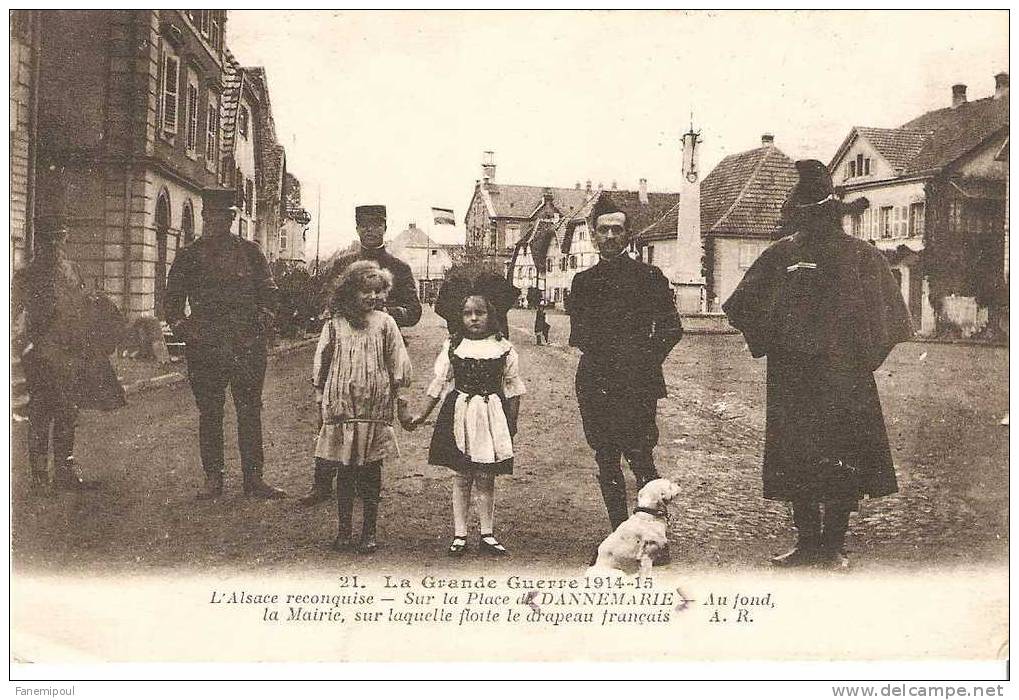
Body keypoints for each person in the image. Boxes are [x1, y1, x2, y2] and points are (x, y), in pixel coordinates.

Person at [722, 159, 913, 570]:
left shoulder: (862, 256)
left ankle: (833, 545)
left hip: (845, 379)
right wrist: (775, 340)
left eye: (817, 212)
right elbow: (741, 306)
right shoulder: (782, 254)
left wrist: (863, 359)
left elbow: (893, 318)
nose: (809, 222)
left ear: (833, 212)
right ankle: (807, 542)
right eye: (802, 213)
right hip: (793, 379)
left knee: (842, 458)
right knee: (797, 458)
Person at [568, 193, 684, 536]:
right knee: (606, 460)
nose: (609, 237)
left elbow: (671, 328)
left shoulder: (649, 277)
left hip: (638, 383)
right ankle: (619, 533)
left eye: (617, 230)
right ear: (593, 234)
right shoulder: (583, 283)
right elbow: (581, 336)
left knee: (641, 459)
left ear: (627, 233)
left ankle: (652, 536)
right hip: (596, 383)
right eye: (603, 230)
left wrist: (646, 359)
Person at [164, 189, 285, 500]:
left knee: (249, 411)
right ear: (204, 217)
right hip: (205, 346)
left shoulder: (251, 253)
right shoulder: (189, 256)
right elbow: (172, 301)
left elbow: (269, 294)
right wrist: (184, 329)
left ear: (233, 219)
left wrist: (263, 318)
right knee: (210, 412)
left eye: (225, 217)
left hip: (246, 345)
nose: (218, 222)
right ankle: (213, 478)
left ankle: (254, 478)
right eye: (212, 217)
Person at [299, 204, 422, 506]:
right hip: (343, 349)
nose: (370, 231)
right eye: (364, 226)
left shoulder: (399, 268)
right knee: (333, 417)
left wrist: (390, 312)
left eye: (376, 225)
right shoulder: (342, 264)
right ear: (357, 229)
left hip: (378, 353)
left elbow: (414, 311)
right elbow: (323, 299)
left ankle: (365, 483)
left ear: (384, 228)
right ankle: (322, 482)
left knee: (371, 419)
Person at [405, 279, 525, 556]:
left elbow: (513, 387)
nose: (473, 318)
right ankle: (459, 534)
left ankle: (487, 533)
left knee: (485, 476)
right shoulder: (453, 346)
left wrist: (512, 422)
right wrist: (422, 414)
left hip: (490, 415)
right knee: (461, 476)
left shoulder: (503, 347)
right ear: (460, 317)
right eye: (467, 313)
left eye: (479, 313)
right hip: (459, 413)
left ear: (491, 315)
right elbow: (439, 383)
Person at [11, 216, 124, 493]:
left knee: (67, 412)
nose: (56, 246)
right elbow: (12, 314)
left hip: (71, 354)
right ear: (40, 243)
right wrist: (24, 346)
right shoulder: (27, 276)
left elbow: (81, 306)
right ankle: (39, 477)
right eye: (50, 240)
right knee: (41, 412)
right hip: (41, 356)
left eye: (60, 239)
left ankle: (64, 472)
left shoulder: (72, 270)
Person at [312, 261, 413, 553]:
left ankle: (369, 531)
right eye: (364, 290)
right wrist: (321, 400)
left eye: (376, 291)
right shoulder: (334, 325)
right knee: (344, 472)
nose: (371, 297)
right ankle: (344, 531)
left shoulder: (385, 323)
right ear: (349, 291)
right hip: (343, 409)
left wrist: (401, 400)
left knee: (370, 472)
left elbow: (398, 364)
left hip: (374, 409)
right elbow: (322, 364)